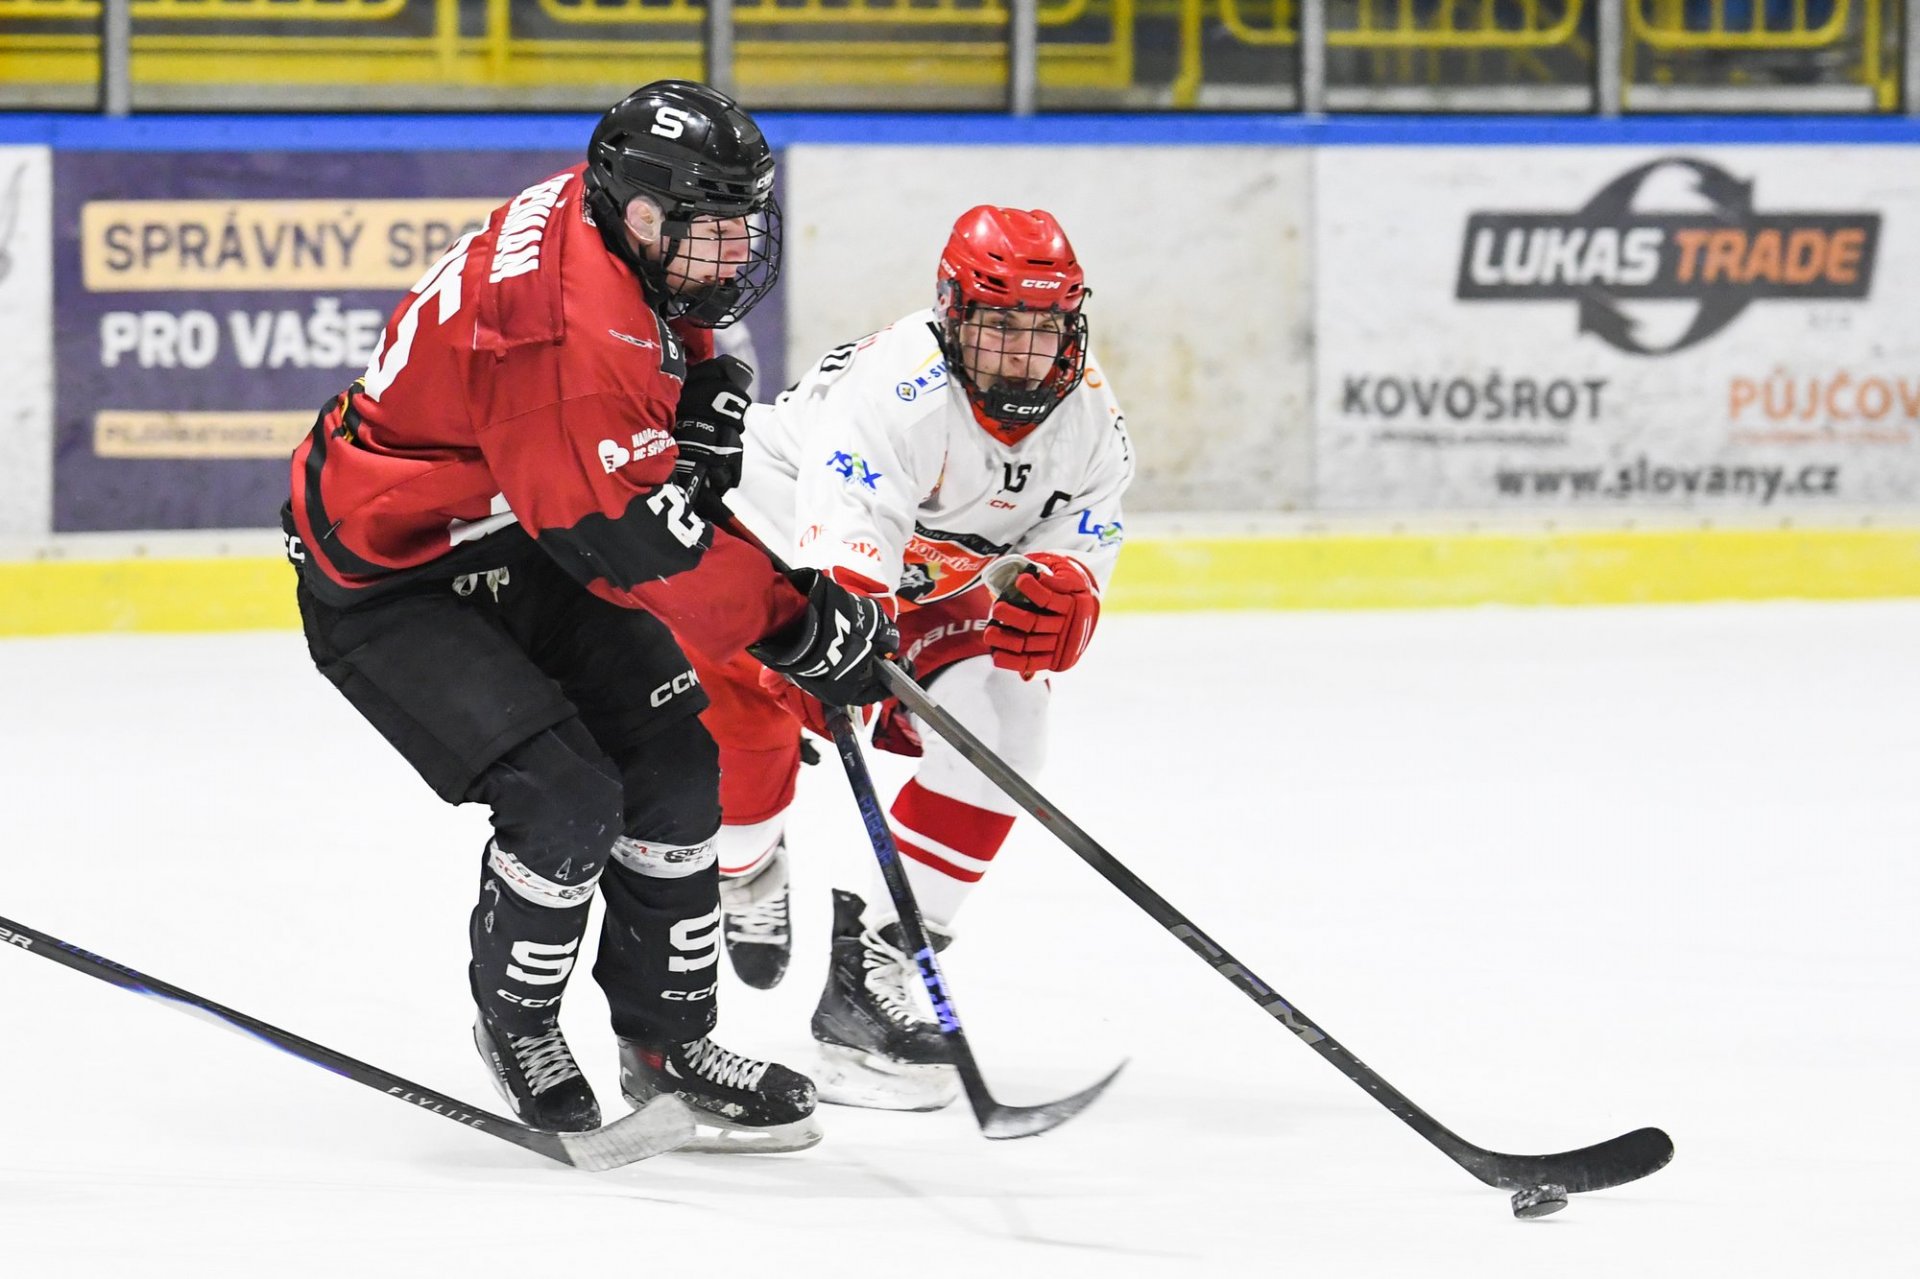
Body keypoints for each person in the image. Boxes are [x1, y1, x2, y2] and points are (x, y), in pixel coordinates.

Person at [281, 80, 897, 1150]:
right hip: (392, 573)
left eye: (738, 226)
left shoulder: (605, 212)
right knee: (565, 797)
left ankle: (667, 1044)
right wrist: (796, 622)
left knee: (678, 763)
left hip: (517, 528)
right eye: (709, 231)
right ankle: (519, 1025)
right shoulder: (560, 337)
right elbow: (637, 546)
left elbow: (675, 333)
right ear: (644, 211)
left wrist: (702, 388)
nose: (731, 256)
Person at [689, 205, 1132, 1109]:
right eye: (999, 325)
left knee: (1009, 720)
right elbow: (847, 547)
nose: (1022, 352)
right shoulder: (901, 390)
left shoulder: (1089, 414)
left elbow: (1085, 530)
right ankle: (748, 868)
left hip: (914, 578)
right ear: (952, 314)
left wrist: (1069, 585)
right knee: (743, 789)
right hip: (766, 544)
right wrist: (845, 637)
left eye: (1043, 327)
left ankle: (872, 975)